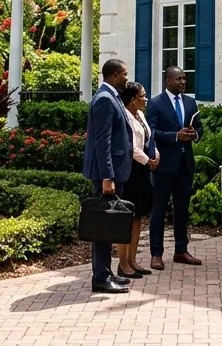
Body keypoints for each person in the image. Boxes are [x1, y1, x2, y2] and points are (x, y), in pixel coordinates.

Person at [82, 58, 135, 294]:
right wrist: (107, 176)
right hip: (107, 174)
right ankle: (101, 277)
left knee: (108, 224)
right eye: (124, 73)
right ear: (114, 75)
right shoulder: (105, 99)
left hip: (113, 171)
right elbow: (103, 141)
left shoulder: (111, 96)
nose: (127, 77)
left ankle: (106, 271)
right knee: (104, 225)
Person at [146, 65, 204, 270]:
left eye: (184, 79)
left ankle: (181, 250)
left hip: (185, 164)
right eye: (179, 79)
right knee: (159, 210)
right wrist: (174, 136)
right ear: (168, 81)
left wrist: (193, 134)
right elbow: (150, 132)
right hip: (164, 165)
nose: (183, 82)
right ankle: (156, 254)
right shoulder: (155, 103)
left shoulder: (190, 102)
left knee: (182, 211)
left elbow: (200, 128)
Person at [116, 81, 158, 278]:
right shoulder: (124, 116)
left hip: (143, 170)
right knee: (127, 217)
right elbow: (129, 145)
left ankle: (133, 260)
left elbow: (148, 138)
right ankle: (122, 263)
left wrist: (155, 154)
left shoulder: (140, 115)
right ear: (132, 99)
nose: (145, 99)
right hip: (130, 170)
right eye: (142, 95)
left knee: (138, 215)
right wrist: (147, 160)